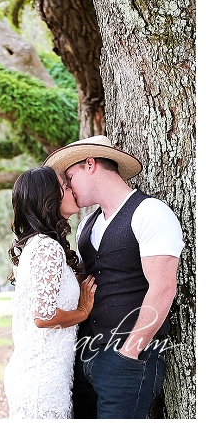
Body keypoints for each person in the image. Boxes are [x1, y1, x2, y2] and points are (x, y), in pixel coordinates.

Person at [44, 135, 184, 419]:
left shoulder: (150, 213)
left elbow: (163, 288)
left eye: (70, 177)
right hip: (85, 355)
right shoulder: (86, 225)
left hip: (128, 357)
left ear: (90, 164)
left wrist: (129, 353)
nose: (67, 187)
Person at [3, 166, 97, 418]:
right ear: (48, 199)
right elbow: (44, 318)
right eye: (64, 187)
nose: (71, 189)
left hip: (46, 374)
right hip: (40, 382)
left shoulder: (41, 246)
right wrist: (83, 311)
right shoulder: (47, 249)